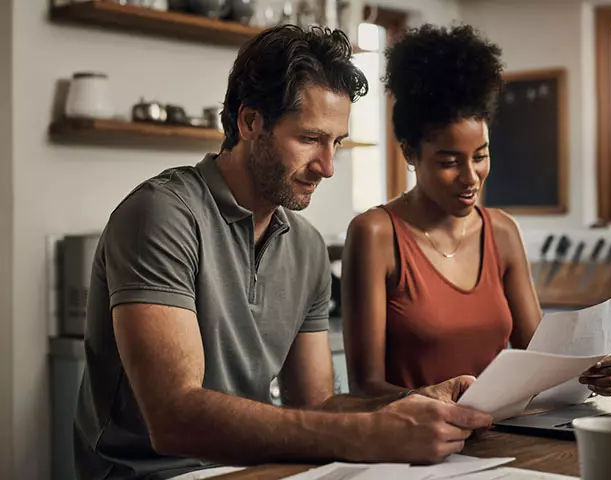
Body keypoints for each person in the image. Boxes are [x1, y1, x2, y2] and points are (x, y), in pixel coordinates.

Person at [73, 25, 493, 480]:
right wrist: (368, 435)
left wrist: (410, 402)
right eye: (310, 139)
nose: (328, 168)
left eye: (337, 143)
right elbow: (174, 419)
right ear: (250, 122)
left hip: (256, 469)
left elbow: (315, 406)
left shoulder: (307, 246)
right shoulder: (160, 215)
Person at [341, 25, 611, 399]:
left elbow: (542, 361)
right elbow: (364, 388)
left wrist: (594, 370)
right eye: (448, 162)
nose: (470, 177)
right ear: (410, 154)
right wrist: (436, 401)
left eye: (481, 156)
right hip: (414, 445)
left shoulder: (502, 232)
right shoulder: (376, 234)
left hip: (502, 439)